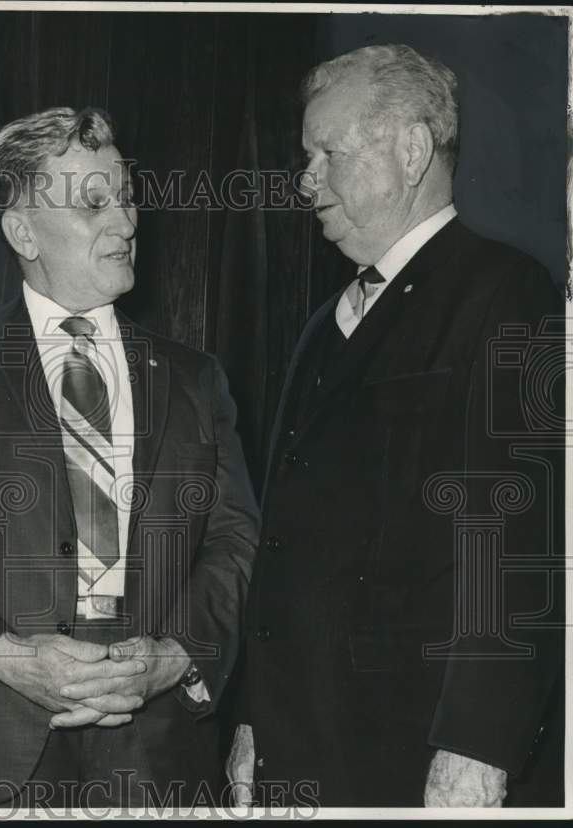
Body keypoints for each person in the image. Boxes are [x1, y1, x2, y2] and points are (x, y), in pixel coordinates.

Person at [0, 106, 260, 808]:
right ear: (22, 230)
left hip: (155, 758)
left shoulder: (196, 377)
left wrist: (170, 659)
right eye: (94, 203)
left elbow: (234, 541)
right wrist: (14, 660)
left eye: (127, 196)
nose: (128, 222)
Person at [231, 44, 564, 807]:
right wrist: (253, 723)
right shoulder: (325, 323)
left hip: (417, 752)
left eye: (328, 153)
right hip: (302, 744)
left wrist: (478, 746)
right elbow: (282, 543)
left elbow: (516, 544)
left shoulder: (508, 292)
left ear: (411, 151)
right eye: (304, 155)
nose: (305, 178)